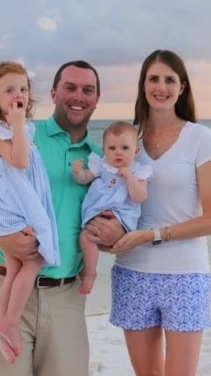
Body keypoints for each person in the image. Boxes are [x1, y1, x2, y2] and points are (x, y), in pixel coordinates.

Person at [0, 60, 126, 376]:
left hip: (66, 295)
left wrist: (113, 233)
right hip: (4, 284)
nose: (78, 96)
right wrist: (4, 240)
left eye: (88, 90)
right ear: (53, 93)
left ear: (97, 99)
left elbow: (113, 215)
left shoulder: (101, 158)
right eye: (70, 87)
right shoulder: (21, 136)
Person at [87, 49, 211, 376]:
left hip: (186, 274)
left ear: (182, 87)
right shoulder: (126, 140)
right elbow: (105, 199)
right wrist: (106, 238)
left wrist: (150, 236)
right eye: (153, 79)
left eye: (169, 80)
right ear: (143, 85)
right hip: (133, 272)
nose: (160, 87)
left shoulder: (200, 138)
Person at [0, 61, 60, 364]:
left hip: (14, 208)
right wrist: (19, 125)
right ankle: (11, 323)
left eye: (23, 88)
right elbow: (20, 162)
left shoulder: (23, 129)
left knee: (14, 269)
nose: (18, 94)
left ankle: (2, 327)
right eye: (9, 90)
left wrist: (22, 126)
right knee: (34, 260)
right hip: (9, 212)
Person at [72, 121, 152, 295]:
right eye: (112, 148)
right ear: (104, 150)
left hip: (121, 217)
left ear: (136, 151)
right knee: (85, 238)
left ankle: (93, 269)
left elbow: (140, 197)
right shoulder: (102, 167)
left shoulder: (138, 172)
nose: (118, 152)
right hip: (98, 213)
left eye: (125, 148)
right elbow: (85, 179)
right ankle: (90, 272)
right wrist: (78, 172)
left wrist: (129, 177)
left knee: (108, 237)